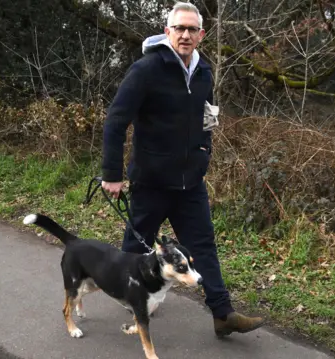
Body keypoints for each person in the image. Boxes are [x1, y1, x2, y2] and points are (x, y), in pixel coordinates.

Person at [100, 2, 265, 336]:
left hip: (191, 182)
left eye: (192, 29)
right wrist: (112, 174)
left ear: (201, 34)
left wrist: (205, 152)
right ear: (167, 32)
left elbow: (208, 118)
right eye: (179, 28)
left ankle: (223, 314)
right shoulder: (147, 69)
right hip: (151, 181)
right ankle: (132, 298)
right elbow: (116, 121)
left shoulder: (203, 70)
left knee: (203, 246)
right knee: (135, 250)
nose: (185, 35)